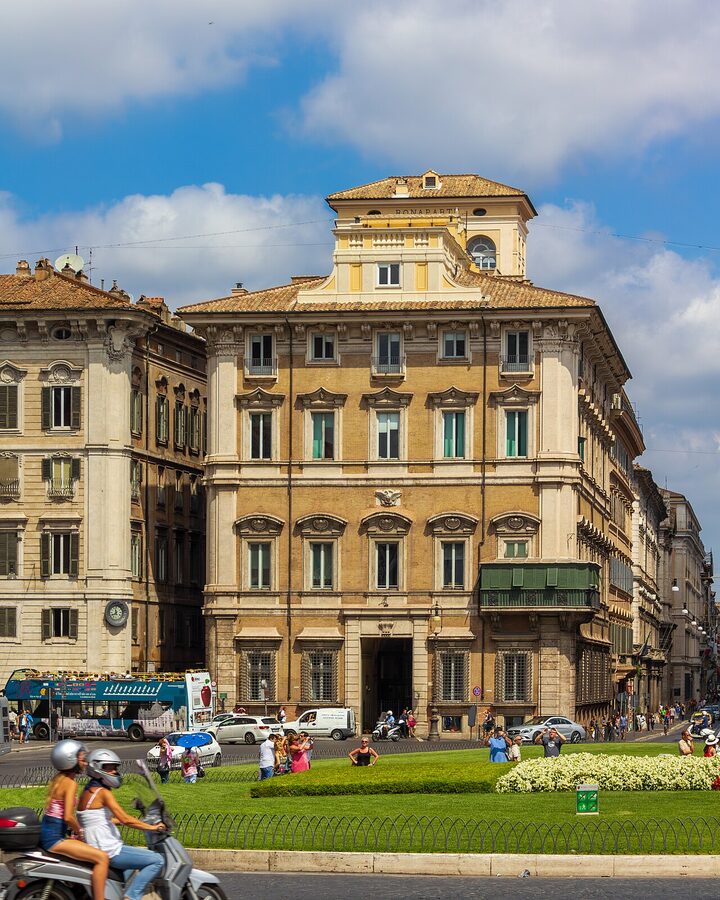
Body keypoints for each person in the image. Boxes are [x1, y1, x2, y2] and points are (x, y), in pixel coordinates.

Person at [78, 748, 165, 900]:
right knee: (157, 860)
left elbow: (98, 819)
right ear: (97, 768)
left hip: (95, 846)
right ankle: (132, 896)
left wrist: (130, 821)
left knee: (131, 869)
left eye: (115, 768)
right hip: (110, 850)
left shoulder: (87, 792)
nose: (114, 772)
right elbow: (125, 819)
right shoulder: (103, 793)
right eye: (109, 768)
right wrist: (153, 827)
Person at [40, 739, 109, 900]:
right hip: (54, 839)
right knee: (102, 858)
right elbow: (68, 816)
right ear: (70, 760)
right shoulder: (70, 783)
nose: (85, 763)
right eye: (82, 758)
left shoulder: (59, 780)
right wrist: (80, 831)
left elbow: (57, 814)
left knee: (89, 854)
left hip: (51, 834)